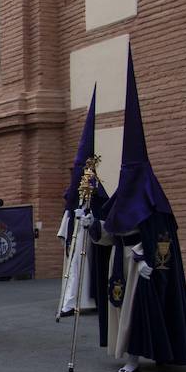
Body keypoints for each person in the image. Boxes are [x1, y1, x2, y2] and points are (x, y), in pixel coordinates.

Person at [87, 53, 186, 372]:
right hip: (119, 261)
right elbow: (110, 233)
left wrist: (152, 262)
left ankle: (138, 358)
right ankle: (129, 353)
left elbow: (163, 238)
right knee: (122, 308)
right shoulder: (121, 197)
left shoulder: (154, 201)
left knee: (140, 309)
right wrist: (92, 225)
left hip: (141, 264)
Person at [57, 87, 110, 319]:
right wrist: (71, 219)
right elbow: (68, 209)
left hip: (91, 234)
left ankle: (91, 300)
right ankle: (72, 301)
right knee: (76, 268)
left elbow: (105, 207)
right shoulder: (73, 190)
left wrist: (92, 219)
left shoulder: (97, 188)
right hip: (77, 234)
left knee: (90, 268)